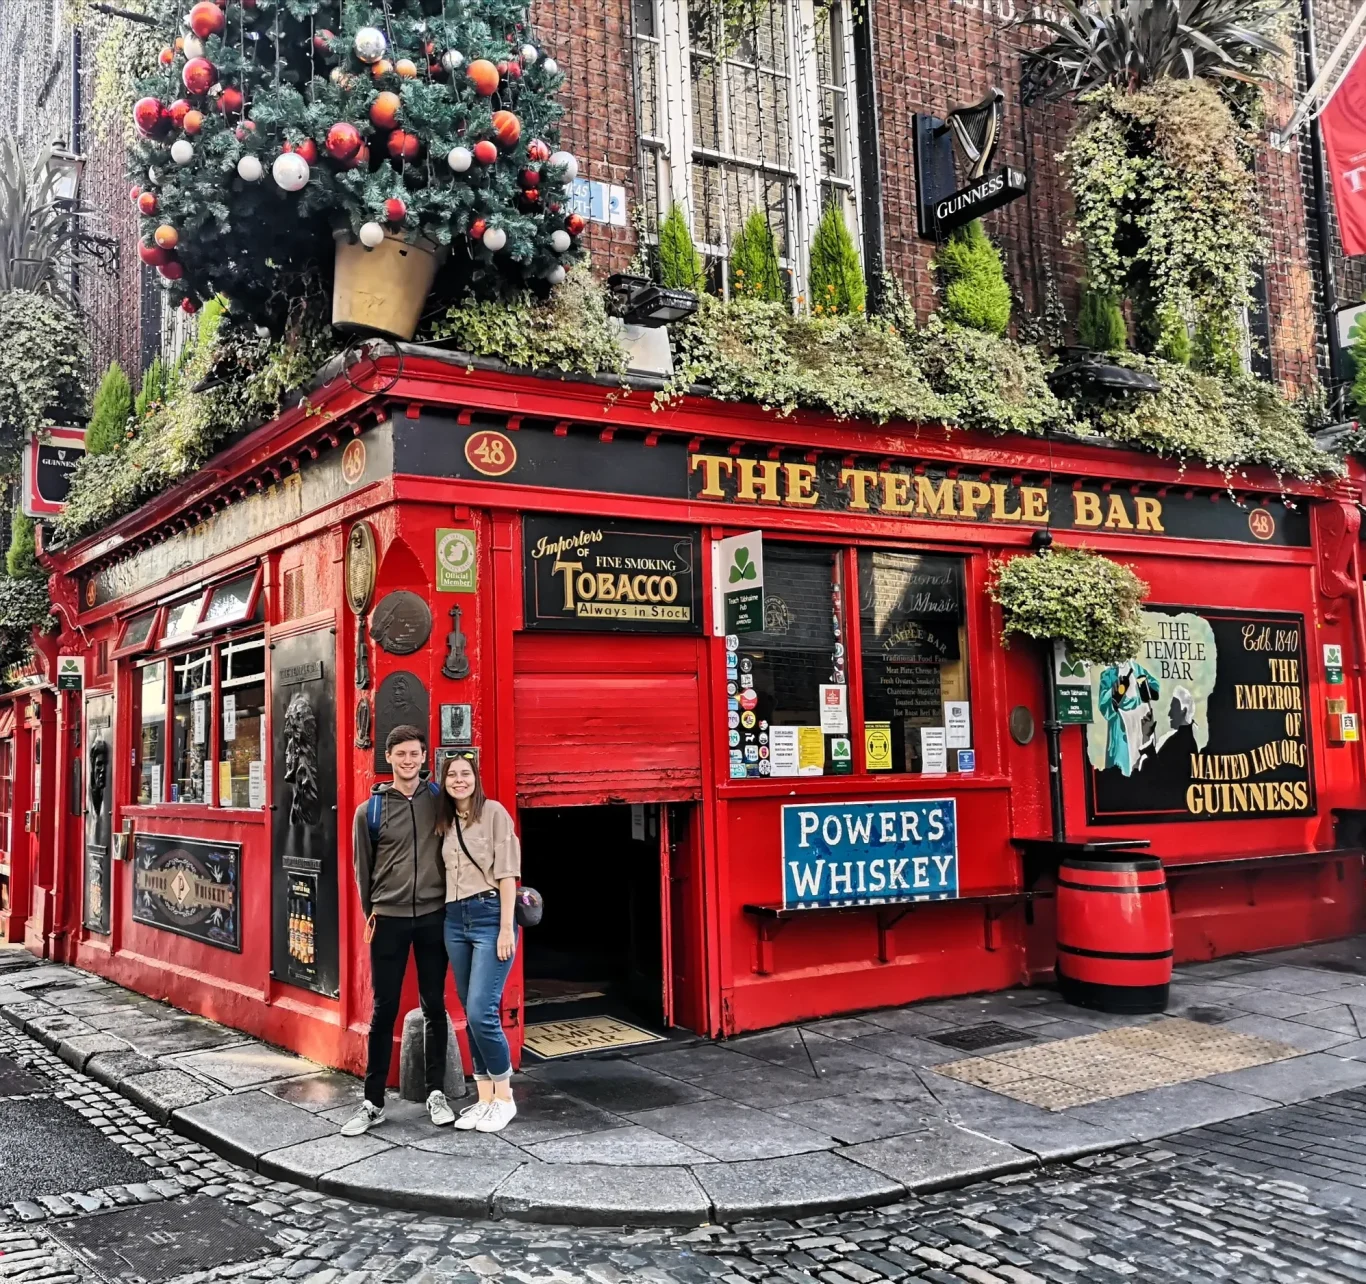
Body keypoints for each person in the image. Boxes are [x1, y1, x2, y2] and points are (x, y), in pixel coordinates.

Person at [341, 725, 456, 1135]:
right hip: (388, 919)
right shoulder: (368, 812)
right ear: (388, 758)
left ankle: (436, 1093)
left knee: (433, 1006)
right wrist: (374, 911)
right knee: (383, 1009)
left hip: (433, 916)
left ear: (425, 758)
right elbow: (362, 870)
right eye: (401, 754)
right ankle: (372, 1103)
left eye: (415, 754)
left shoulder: (441, 801)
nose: (409, 761)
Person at [437, 751, 521, 1133]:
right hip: (455, 920)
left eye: (465, 774)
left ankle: (504, 1098)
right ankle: (484, 1097)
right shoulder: (444, 820)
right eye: (452, 775)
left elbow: (507, 875)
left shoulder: (495, 814)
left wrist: (506, 928)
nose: (459, 780)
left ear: (476, 778)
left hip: (490, 917)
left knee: (480, 1013)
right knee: (469, 1017)